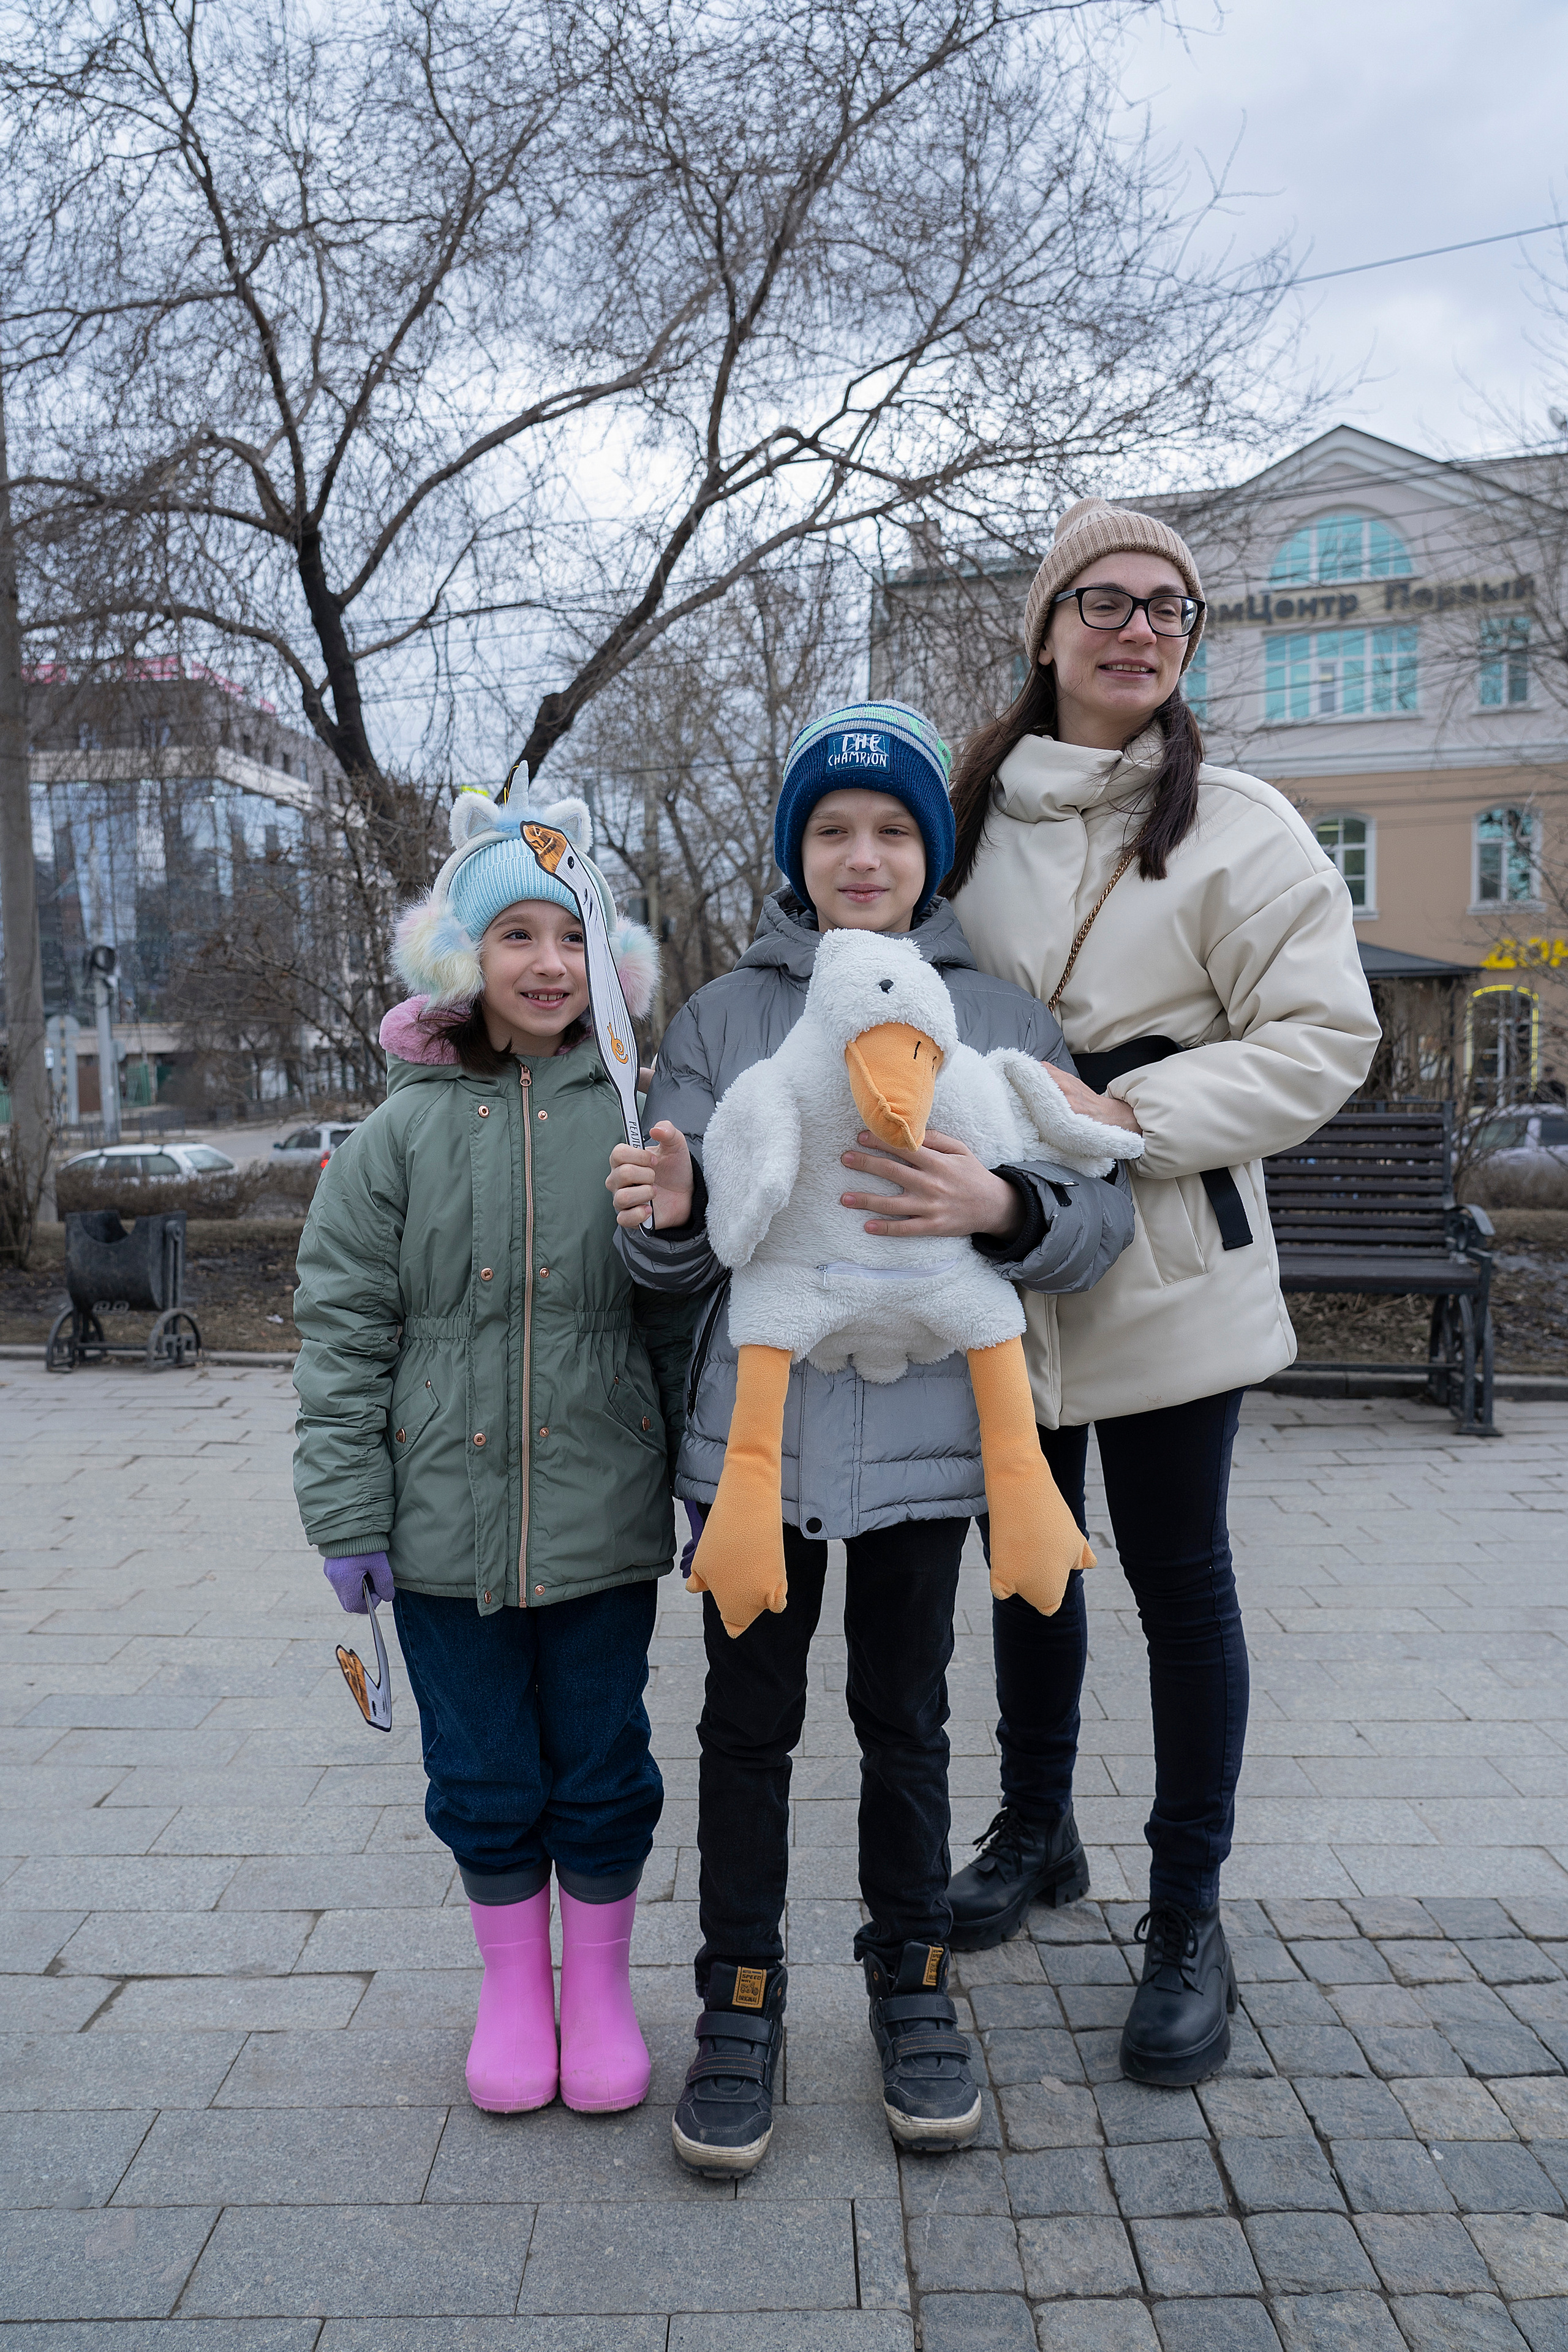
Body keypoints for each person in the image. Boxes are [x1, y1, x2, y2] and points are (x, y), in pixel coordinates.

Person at [606, 701, 1135, 2178]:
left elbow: (1095, 1207)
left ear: (930, 854)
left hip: (927, 1458)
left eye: (891, 829)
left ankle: (911, 1990)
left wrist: (1002, 1209)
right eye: (831, 831)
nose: (860, 855)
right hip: (750, 1465)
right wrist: (667, 1213)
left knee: (907, 1724)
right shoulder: (724, 1019)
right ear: (794, 856)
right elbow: (679, 1257)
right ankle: (741, 2006)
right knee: (744, 1729)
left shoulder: (1003, 1014)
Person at [944, 498, 1380, 2085]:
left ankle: (1187, 1911)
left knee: (1181, 1582)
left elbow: (1327, 1035)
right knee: (1029, 1564)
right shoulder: (967, 814)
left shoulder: (1239, 823)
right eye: (1111, 602)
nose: (1143, 630)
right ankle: (1036, 1829)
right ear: (1049, 625)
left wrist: (1141, 1117)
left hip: (1172, 1262)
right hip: (995, 1258)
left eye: (1175, 610)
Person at [292, 788, 693, 2120]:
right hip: (442, 1531)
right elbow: (342, 1329)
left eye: (569, 937)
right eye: (513, 935)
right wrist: (346, 1512)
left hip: (599, 1518)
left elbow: (680, 1314)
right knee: (479, 1773)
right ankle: (514, 1991)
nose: (544, 964)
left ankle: (603, 1990)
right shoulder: (398, 1133)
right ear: (464, 963)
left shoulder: (637, 1115)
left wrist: (705, 1481)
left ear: (605, 963)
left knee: (599, 1764)